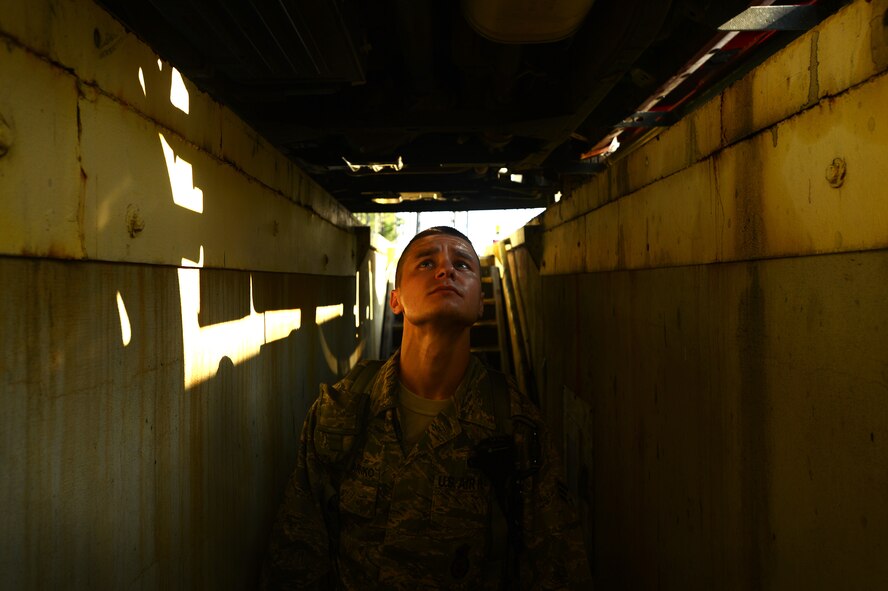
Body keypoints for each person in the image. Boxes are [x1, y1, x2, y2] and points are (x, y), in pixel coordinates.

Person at [264, 226, 591, 590]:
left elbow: (556, 564)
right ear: (396, 300)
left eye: (463, 264)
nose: (446, 270)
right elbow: (297, 552)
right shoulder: (340, 412)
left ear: (479, 302)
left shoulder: (515, 425)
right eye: (426, 262)